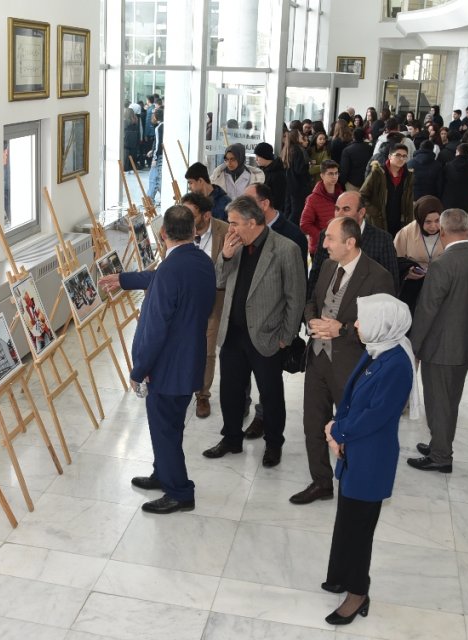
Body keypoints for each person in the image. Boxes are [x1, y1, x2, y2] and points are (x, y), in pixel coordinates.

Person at [322, 293, 415, 626]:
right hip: (356, 450)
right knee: (346, 517)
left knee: (360, 528)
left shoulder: (397, 365)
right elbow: (352, 398)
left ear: (382, 324)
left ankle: (357, 592)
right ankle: (339, 575)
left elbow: (376, 416)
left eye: (362, 319)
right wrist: (338, 427)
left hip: (370, 458)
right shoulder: (378, 350)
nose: (356, 324)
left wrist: (339, 431)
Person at [122, 205, 218, 514]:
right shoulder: (204, 262)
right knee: (171, 426)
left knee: (165, 430)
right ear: (194, 231)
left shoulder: (168, 271)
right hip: (191, 359)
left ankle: (179, 491)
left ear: (163, 235)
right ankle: (162, 473)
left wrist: (139, 369)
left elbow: (155, 329)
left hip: (167, 367)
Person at [294, 217, 395, 505]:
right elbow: (312, 300)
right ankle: (321, 482)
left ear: (349, 243)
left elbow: (383, 328)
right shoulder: (326, 266)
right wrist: (311, 318)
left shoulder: (378, 277)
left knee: (353, 428)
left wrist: (344, 329)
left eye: (329, 239)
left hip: (351, 366)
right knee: (313, 425)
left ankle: (356, 483)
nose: (323, 244)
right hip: (317, 360)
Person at [203, 196, 305, 468]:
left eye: (234, 223)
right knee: (230, 391)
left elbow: (296, 297)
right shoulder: (234, 246)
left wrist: (287, 335)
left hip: (268, 336)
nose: (230, 228)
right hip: (233, 334)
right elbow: (218, 281)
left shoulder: (286, 249)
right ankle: (231, 438)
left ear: (252, 222)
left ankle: (273, 444)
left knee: (270, 395)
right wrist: (224, 255)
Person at [405, 209, 468, 473]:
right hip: (465, 343)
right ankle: (438, 443)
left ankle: (441, 456)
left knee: (438, 402)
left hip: (440, 347)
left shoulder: (443, 264)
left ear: (442, 232)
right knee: (450, 399)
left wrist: (414, 346)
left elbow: (427, 309)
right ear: (467, 229)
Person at [309, 191, 400, 298]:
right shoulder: (326, 235)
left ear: (361, 213)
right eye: (337, 209)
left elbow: (391, 283)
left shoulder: (382, 239)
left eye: (346, 209)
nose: (339, 214)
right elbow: (315, 276)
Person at [392, 196, 447, 313]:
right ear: (419, 220)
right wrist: (407, 272)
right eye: (428, 222)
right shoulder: (406, 233)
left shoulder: (448, 231)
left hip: (441, 284)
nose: (433, 226)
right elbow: (395, 261)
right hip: (413, 285)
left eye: (437, 221)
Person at [359, 144, 415, 233]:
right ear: (390, 156)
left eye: (404, 156)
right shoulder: (377, 173)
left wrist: (410, 221)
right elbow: (362, 195)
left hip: (400, 222)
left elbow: (409, 201)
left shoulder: (408, 176)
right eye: (398, 155)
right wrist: (375, 212)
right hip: (379, 221)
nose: (401, 159)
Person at [300, 159, 343, 254]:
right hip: (319, 248)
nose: (334, 176)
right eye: (330, 174)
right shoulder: (313, 199)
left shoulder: (342, 196)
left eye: (336, 173)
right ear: (322, 175)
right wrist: (324, 236)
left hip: (339, 246)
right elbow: (305, 224)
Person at [282, 129, 312, 224]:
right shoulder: (298, 150)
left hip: (289, 184)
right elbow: (300, 170)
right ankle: (288, 229)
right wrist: (308, 165)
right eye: (299, 134)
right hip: (298, 185)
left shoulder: (288, 149)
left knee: (288, 209)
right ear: (295, 137)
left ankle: (283, 227)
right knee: (296, 211)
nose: (301, 136)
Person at [254, 142, 287, 212]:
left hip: (269, 212)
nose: (256, 159)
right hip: (259, 209)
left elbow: (278, 199)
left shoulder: (278, 174)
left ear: (265, 156)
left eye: (258, 156)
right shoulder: (261, 170)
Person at [145, 108, 166, 202]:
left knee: (154, 177)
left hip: (159, 156)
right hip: (163, 155)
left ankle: (150, 200)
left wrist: (155, 158)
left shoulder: (159, 128)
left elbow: (159, 144)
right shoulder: (165, 126)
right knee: (158, 177)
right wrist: (152, 150)